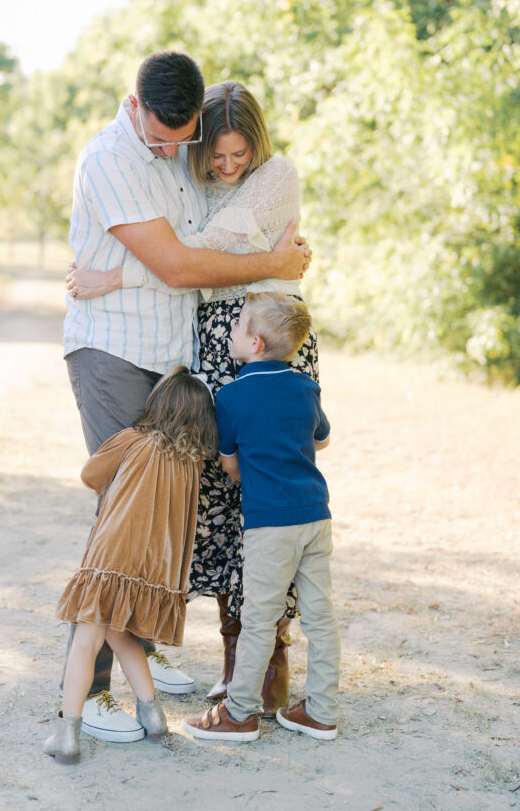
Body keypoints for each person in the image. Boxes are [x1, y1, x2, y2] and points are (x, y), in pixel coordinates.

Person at [62, 54, 310, 743]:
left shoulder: (182, 149)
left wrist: (116, 275)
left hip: (175, 360)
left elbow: (192, 257)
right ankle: (93, 694)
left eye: (184, 137)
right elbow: (178, 264)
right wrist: (274, 264)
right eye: (164, 138)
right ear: (133, 105)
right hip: (113, 353)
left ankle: (141, 645)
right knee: (123, 514)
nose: (177, 151)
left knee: (168, 512)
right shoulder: (109, 159)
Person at [182, 292, 339, 743]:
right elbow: (321, 440)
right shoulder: (306, 387)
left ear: (253, 343)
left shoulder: (231, 397)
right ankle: (322, 712)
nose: (231, 333)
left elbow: (230, 465)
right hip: (315, 515)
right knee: (320, 616)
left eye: (237, 327)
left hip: (270, 524)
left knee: (258, 619)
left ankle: (239, 713)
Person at [44, 366, 219, 764]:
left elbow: (90, 475)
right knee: (123, 636)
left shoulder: (132, 440)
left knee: (85, 643)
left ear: (156, 404)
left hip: (111, 559)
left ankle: (66, 734)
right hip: (152, 572)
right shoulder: (192, 464)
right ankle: (153, 717)